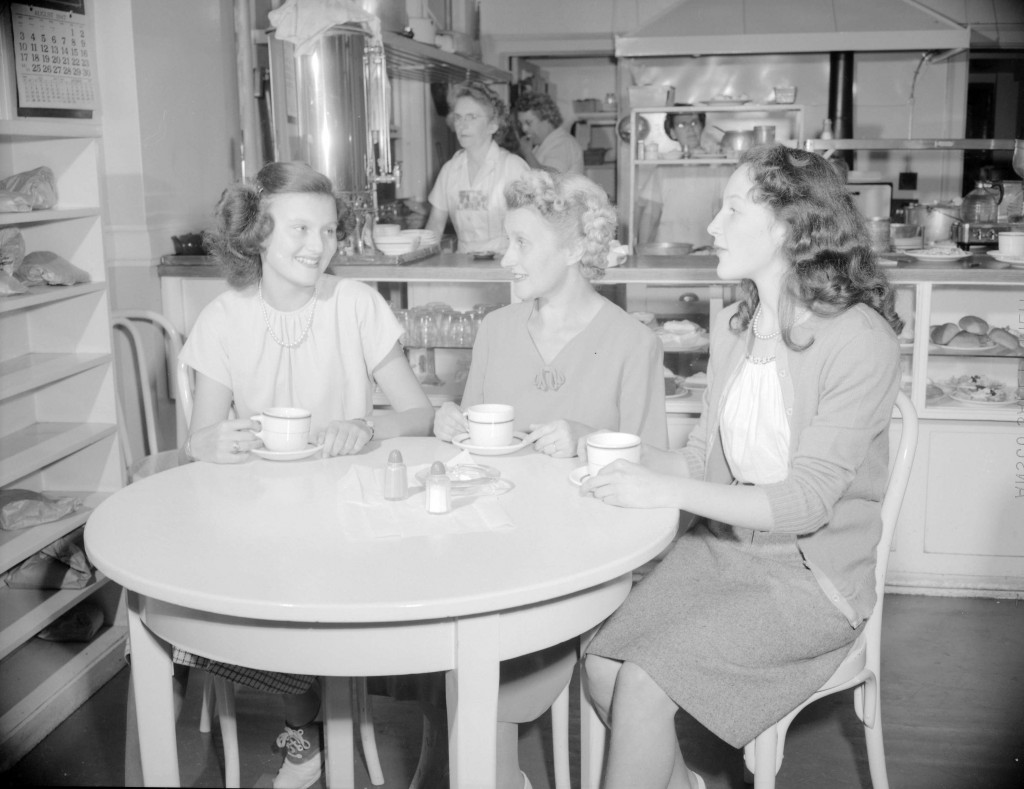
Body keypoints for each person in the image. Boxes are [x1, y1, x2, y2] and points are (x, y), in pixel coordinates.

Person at [581, 144, 903, 789]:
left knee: (645, 682)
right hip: (727, 549)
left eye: (731, 210)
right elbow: (702, 461)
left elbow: (807, 503)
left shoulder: (859, 338)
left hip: (812, 578)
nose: (711, 227)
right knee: (600, 662)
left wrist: (659, 489)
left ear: (789, 226)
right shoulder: (735, 324)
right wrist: (591, 440)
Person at [124, 161, 434, 789]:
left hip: (347, 513)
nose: (316, 246)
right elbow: (201, 440)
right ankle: (303, 724)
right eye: (298, 229)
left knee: (312, 577)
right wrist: (208, 441)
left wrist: (365, 428)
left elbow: (420, 413)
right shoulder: (222, 319)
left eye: (327, 231)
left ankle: (315, 727)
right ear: (257, 234)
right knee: (196, 587)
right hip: (257, 515)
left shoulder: (357, 305)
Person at [432, 169, 667, 789]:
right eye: (505, 242)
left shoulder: (631, 342)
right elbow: (475, 457)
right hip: (497, 548)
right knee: (457, 646)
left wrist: (587, 440)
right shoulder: (495, 330)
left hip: (590, 562)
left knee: (483, 661)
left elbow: (658, 470)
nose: (506, 259)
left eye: (522, 243)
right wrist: (451, 422)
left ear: (573, 250)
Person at [425, 80, 529, 255]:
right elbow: (435, 226)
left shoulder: (513, 167)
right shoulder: (449, 170)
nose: (462, 125)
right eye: (458, 117)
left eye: (471, 117)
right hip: (464, 267)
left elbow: (532, 227)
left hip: (506, 264)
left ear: (493, 124)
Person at [636, 107, 726, 247]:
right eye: (681, 125)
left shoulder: (719, 167)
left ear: (702, 127)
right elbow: (650, 215)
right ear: (672, 132)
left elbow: (725, 213)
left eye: (694, 123)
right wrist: (641, 250)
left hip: (707, 250)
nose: (690, 129)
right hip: (669, 249)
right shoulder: (663, 169)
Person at [514, 92, 585, 175]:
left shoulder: (562, 143)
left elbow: (552, 179)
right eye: (521, 124)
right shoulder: (542, 145)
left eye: (528, 123)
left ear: (547, 119)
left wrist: (527, 153)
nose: (524, 128)